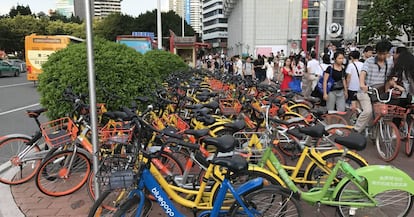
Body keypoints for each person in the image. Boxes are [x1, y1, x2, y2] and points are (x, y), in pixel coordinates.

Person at [354, 40, 394, 133]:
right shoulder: (369, 61)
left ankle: (374, 133)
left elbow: (389, 79)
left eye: (385, 54)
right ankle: (356, 130)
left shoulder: (389, 63)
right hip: (366, 91)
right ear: (377, 52)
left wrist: (389, 89)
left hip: (379, 92)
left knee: (381, 112)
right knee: (368, 111)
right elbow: (363, 73)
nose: (382, 56)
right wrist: (362, 84)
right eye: (380, 54)